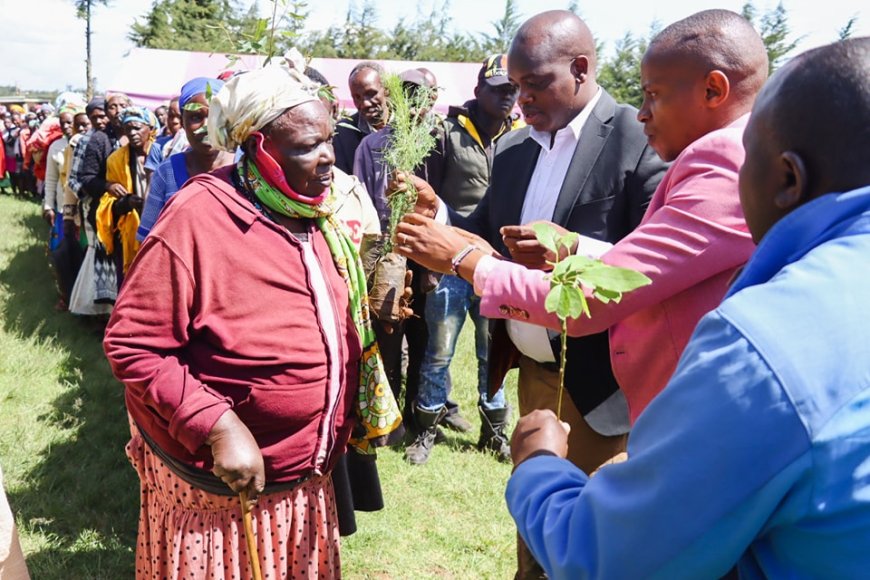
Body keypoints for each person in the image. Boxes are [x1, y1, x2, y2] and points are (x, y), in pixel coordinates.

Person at [505, 36, 870, 579]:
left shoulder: (765, 346)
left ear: (787, 179)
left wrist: (538, 467)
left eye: (750, 162)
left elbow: (610, 558)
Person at [103, 50, 401, 579]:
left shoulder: (314, 212)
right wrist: (216, 424)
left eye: (330, 139)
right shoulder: (198, 217)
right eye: (309, 146)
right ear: (260, 149)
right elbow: (134, 343)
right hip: (219, 500)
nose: (330, 156)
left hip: (303, 484)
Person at [398, 10, 765, 423]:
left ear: (579, 69)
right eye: (517, 87)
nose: (522, 99)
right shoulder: (515, 148)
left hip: (605, 390)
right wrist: (441, 214)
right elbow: (483, 230)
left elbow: (630, 276)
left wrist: (477, 260)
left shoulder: (648, 142)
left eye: (534, 84)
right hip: (530, 368)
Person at [404, 54, 522, 465]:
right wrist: (423, 267)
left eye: (513, 89)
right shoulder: (446, 134)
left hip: (498, 263)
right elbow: (424, 198)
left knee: (494, 354)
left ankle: (494, 432)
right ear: (478, 92)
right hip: (450, 262)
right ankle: (427, 430)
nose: (508, 96)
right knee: (440, 351)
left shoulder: (523, 138)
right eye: (499, 89)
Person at [137, 78, 232, 241]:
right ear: (182, 123)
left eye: (216, 116)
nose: (206, 127)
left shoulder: (247, 167)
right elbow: (147, 238)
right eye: (196, 117)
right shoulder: (167, 173)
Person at [95, 106, 159, 297]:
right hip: (129, 231)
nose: (132, 133)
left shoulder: (162, 152)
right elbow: (108, 204)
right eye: (128, 129)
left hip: (159, 226)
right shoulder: (116, 160)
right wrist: (127, 203)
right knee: (130, 284)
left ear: (150, 128)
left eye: (137, 128)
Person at [333, 61, 389, 174]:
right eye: (357, 97)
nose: (364, 104)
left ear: (387, 90)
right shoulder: (342, 134)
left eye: (371, 93)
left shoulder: (409, 127)